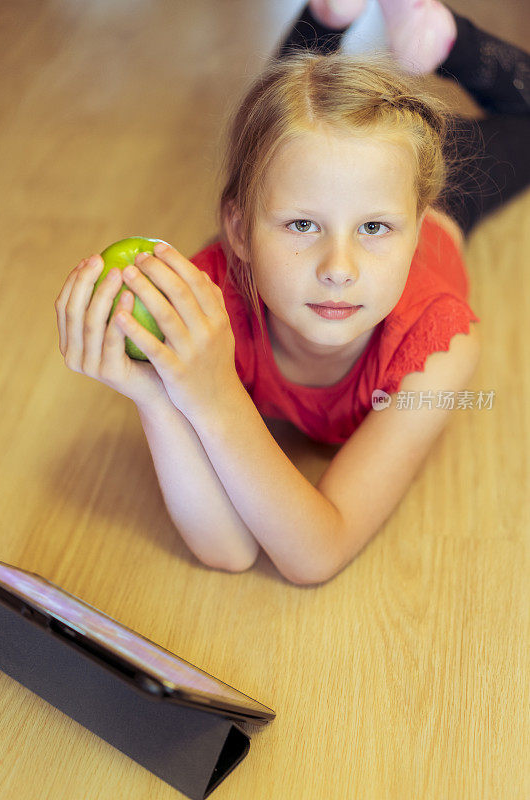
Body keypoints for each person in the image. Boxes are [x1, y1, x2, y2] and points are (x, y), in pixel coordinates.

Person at [54, 2, 529, 586]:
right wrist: (156, 394)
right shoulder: (212, 303)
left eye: (376, 229)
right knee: (290, 121)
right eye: (301, 226)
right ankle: (328, 16)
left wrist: (210, 394)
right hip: (356, 173)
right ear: (238, 231)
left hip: (430, 184)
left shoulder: (437, 352)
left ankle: (440, 38)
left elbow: (316, 554)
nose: (339, 268)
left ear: (416, 227)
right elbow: (227, 550)